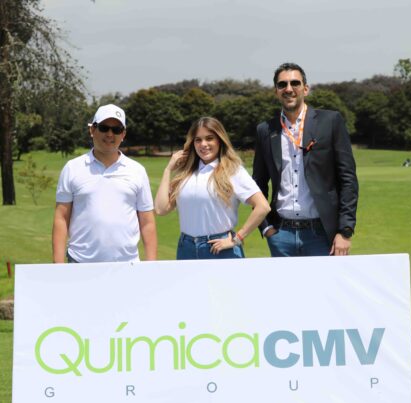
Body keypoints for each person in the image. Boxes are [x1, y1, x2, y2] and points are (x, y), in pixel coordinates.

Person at [253, 62, 358, 257]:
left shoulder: (330, 122)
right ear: (276, 91)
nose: (289, 89)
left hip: (322, 234)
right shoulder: (265, 130)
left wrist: (345, 230)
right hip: (280, 235)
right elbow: (258, 183)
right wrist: (266, 227)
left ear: (306, 89)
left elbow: (348, 179)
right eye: (282, 84)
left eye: (295, 83)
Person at [52, 104, 157, 263]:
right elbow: (61, 217)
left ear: (123, 134)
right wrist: (58, 266)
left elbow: (147, 222)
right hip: (80, 263)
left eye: (116, 130)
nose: (109, 134)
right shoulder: (72, 168)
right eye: (104, 128)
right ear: (92, 130)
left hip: (128, 265)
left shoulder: (137, 171)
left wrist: (151, 265)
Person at [155, 117, 270, 260]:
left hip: (220, 249)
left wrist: (237, 238)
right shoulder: (185, 174)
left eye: (209, 138)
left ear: (219, 140)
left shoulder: (233, 171)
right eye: (198, 140)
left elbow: (263, 206)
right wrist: (168, 170)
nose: (203, 144)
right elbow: (161, 209)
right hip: (186, 248)